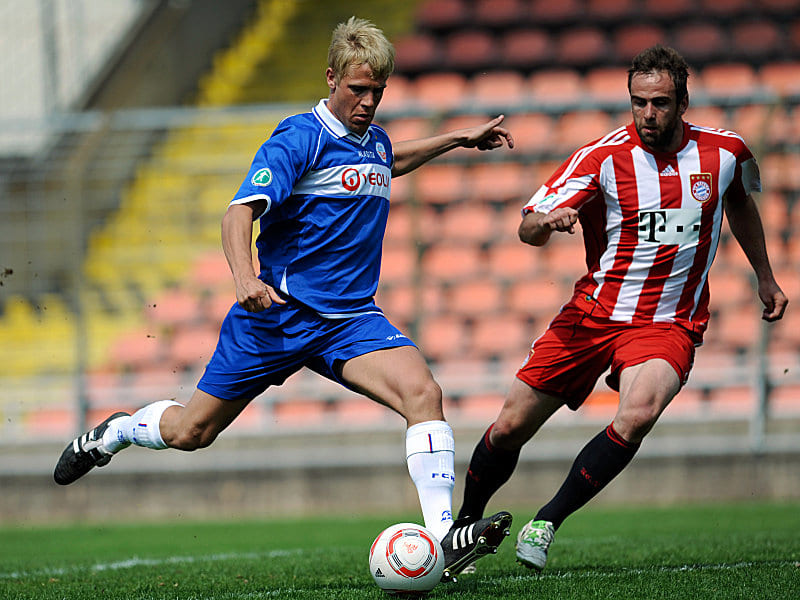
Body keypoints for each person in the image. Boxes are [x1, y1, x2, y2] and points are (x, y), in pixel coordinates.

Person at [53, 16, 513, 581]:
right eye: (358, 90)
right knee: (191, 433)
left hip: (350, 319)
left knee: (425, 393)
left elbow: (386, 161)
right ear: (331, 78)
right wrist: (246, 278)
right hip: (277, 315)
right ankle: (118, 431)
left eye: (377, 92)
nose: (368, 102)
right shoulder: (298, 139)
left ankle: (442, 543)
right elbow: (238, 212)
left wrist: (456, 138)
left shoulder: (374, 139)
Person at [455, 45, 788, 572]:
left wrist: (765, 276)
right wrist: (547, 222)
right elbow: (527, 227)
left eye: (659, 103)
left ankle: (547, 522)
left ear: (683, 101)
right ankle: (464, 528)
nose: (647, 115)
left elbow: (740, 203)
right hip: (593, 314)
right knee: (511, 426)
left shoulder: (726, 154)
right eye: (638, 103)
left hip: (667, 322)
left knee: (637, 413)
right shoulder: (602, 157)